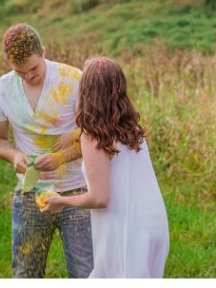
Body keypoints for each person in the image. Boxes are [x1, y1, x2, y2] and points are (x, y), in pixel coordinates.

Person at [41, 57, 169, 278]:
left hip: (124, 228)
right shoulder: (131, 127)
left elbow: (100, 198)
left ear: (85, 91)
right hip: (152, 220)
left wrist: (61, 200)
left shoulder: (93, 135)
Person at [0, 23, 92, 277]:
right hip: (30, 192)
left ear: (44, 51)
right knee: (26, 272)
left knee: (87, 273)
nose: (29, 76)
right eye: (20, 72)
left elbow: (97, 132)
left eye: (34, 68)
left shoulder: (74, 79)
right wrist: (14, 156)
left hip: (78, 191)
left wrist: (60, 157)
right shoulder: (0, 90)